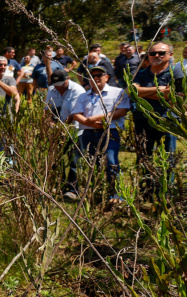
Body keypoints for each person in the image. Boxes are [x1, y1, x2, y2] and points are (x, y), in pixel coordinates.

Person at [70, 65, 130, 203]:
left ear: (107, 77)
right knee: (91, 163)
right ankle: (94, 193)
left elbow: (122, 111)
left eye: (99, 75)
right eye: (92, 76)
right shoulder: (83, 95)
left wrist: (97, 119)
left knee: (111, 161)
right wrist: (89, 123)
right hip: (88, 133)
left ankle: (116, 195)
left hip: (110, 132)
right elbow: (76, 114)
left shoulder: (118, 92)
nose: (95, 78)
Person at [131, 42, 178, 198]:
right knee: (144, 156)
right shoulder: (141, 73)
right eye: (152, 53)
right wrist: (161, 91)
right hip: (142, 121)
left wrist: (144, 93)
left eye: (161, 53)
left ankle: (166, 193)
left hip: (167, 122)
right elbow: (133, 92)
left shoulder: (175, 74)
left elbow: (173, 95)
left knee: (168, 158)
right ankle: (147, 192)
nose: (156, 56)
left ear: (170, 55)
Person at [45, 69, 86, 200]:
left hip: (75, 129)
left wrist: (60, 127)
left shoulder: (77, 91)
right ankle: (60, 185)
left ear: (68, 79)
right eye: (56, 84)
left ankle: (73, 190)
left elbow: (74, 114)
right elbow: (48, 109)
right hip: (57, 130)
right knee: (58, 159)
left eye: (61, 84)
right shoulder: (52, 90)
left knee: (74, 160)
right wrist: (49, 123)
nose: (58, 87)